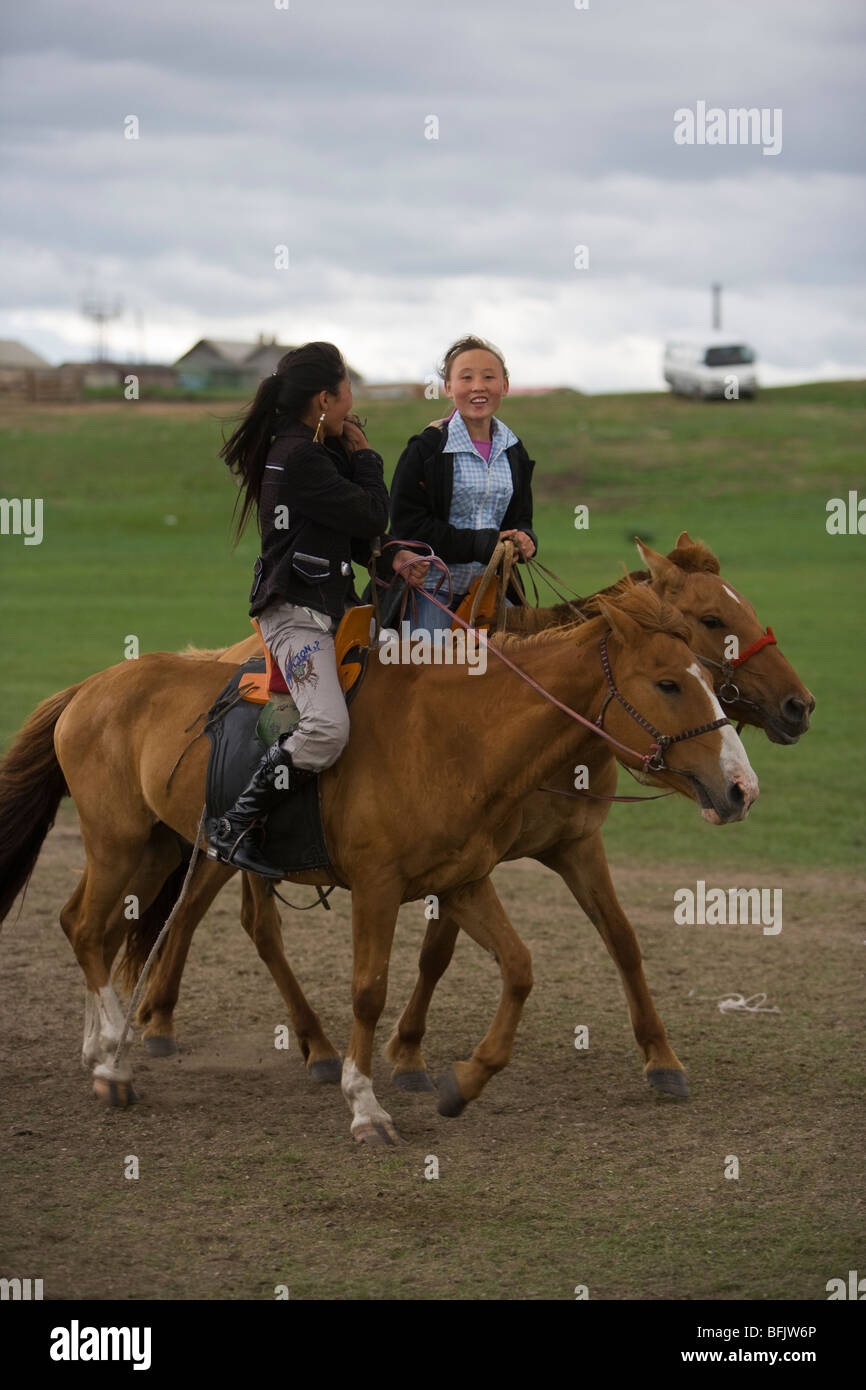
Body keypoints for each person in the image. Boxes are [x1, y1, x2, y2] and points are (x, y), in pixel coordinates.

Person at [207, 341, 420, 878]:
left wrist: (392, 554)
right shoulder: (300, 456)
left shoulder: (310, 450)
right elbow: (371, 511)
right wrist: (368, 456)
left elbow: (344, 531)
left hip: (337, 613)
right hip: (297, 618)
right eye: (348, 389)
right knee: (326, 728)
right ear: (325, 398)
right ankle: (234, 824)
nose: (354, 401)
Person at [389, 335, 538, 636]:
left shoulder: (514, 451)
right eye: (466, 378)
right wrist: (480, 544)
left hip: (493, 590)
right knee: (430, 673)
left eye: (489, 377)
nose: (477, 387)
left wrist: (525, 539)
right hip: (433, 589)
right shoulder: (426, 449)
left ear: (505, 386)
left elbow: (519, 518)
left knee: (525, 667)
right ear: (448, 387)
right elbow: (408, 525)